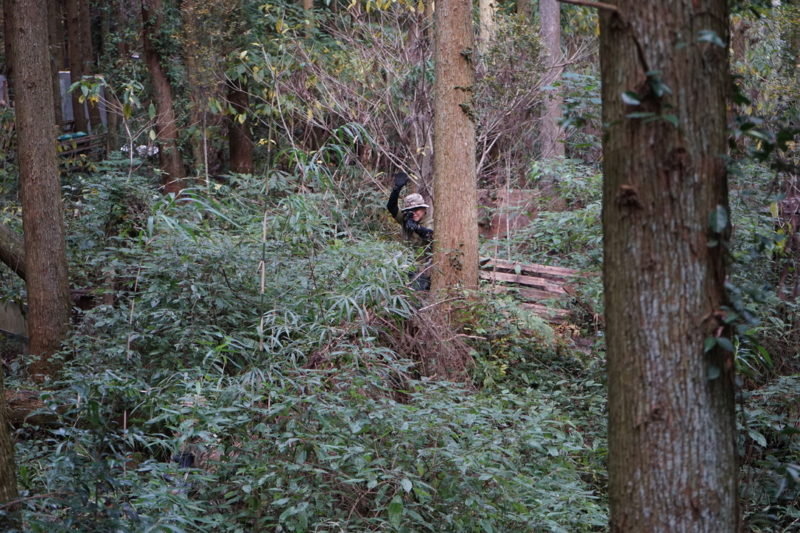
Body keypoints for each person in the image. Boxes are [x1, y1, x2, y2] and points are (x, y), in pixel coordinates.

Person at [386, 172, 433, 290]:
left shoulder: (430, 222)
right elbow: (391, 208)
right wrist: (396, 189)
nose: (415, 213)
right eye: (411, 210)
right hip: (405, 266)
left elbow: (430, 235)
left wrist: (417, 228)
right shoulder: (406, 219)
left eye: (417, 209)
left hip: (424, 270)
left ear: (424, 209)